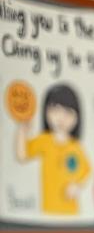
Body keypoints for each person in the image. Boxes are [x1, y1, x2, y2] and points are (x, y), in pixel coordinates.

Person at [15, 83, 89, 216]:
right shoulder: (44, 141)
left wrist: (77, 187)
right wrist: (22, 132)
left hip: (71, 212)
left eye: (68, 112)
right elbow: (22, 155)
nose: (61, 117)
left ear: (77, 117)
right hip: (48, 211)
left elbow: (86, 171)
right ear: (46, 111)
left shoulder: (76, 147)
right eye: (55, 109)